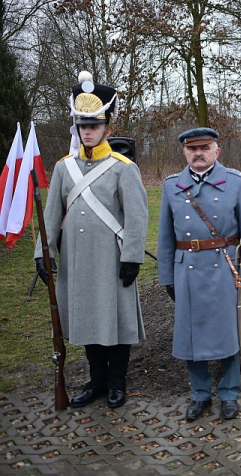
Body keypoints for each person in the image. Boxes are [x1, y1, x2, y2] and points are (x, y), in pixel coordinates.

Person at [34, 71, 148, 409]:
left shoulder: (123, 167)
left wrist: (132, 257)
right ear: (76, 127)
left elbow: (137, 216)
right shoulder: (63, 168)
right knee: (86, 318)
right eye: (83, 124)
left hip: (112, 257)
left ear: (107, 127)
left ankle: (117, 382)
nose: (88, 130)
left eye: (94, 124)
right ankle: (96, 381)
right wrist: (44, 253)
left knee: (115, 319)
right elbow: (51, 214)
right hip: (77, 258)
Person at [157, 127, 241, 421]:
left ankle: (229, 394)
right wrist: (166, 276)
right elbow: (165, 237)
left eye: (205, 147)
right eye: (193, 149)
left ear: (217, 151)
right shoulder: (171, 185)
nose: (199, 153)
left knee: (228, 332)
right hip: (187, 270)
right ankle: (200, 394)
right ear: (185, 152)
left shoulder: (236, 183)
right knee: (191, 337)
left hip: (226, 268)